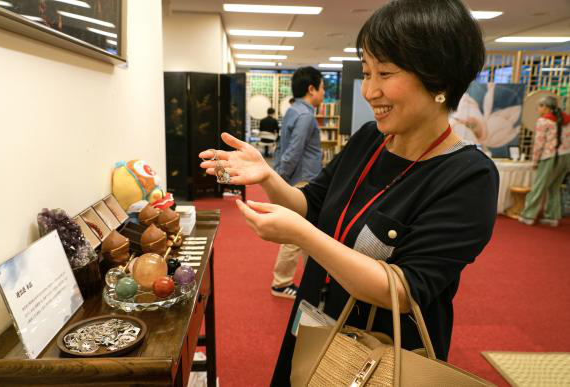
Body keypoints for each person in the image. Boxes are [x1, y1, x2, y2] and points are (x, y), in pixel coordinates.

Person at [199, 0, 497, 384]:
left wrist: (301, 235)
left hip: (383, 354)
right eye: (368, 72)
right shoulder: (371, 139)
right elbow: (311, 205)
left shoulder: (469, 177)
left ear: (440, 81)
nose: (370, 91)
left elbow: (405, 290)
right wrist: (268, 177)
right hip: (317, 320)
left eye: (385, 73)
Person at [269, 66, 324, 299]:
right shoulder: (305, 116)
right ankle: (281, 283)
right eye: (322, 88)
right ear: (312, 89)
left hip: (297, 180)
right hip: (302, 181)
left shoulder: (293, 111)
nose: (323, 93)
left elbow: (283, 148)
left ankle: (315, 282)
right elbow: (293, 151)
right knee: (297, 235)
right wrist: (277, 179)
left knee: (306, 233)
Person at [519, 96, 570, 227]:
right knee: (554, 187)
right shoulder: (566, 119)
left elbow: (539, 144)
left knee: (538, 186)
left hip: (549, 157)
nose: (538, 109)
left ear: (546, 107)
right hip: (566, 157)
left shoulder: (543, 121)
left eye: (540, 106)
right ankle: (552, 217)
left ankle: (528, 215)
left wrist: (535, 161)